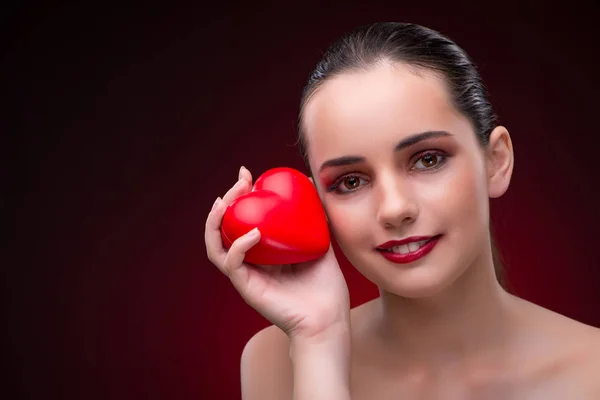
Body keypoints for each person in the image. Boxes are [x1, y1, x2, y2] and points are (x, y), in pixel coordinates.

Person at [205, 22, 600, 399]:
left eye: (427, 160)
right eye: (351, 182)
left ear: (495, 161)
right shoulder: (276, 361)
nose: (394, 209)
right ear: (317, 205)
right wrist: (319, 343)